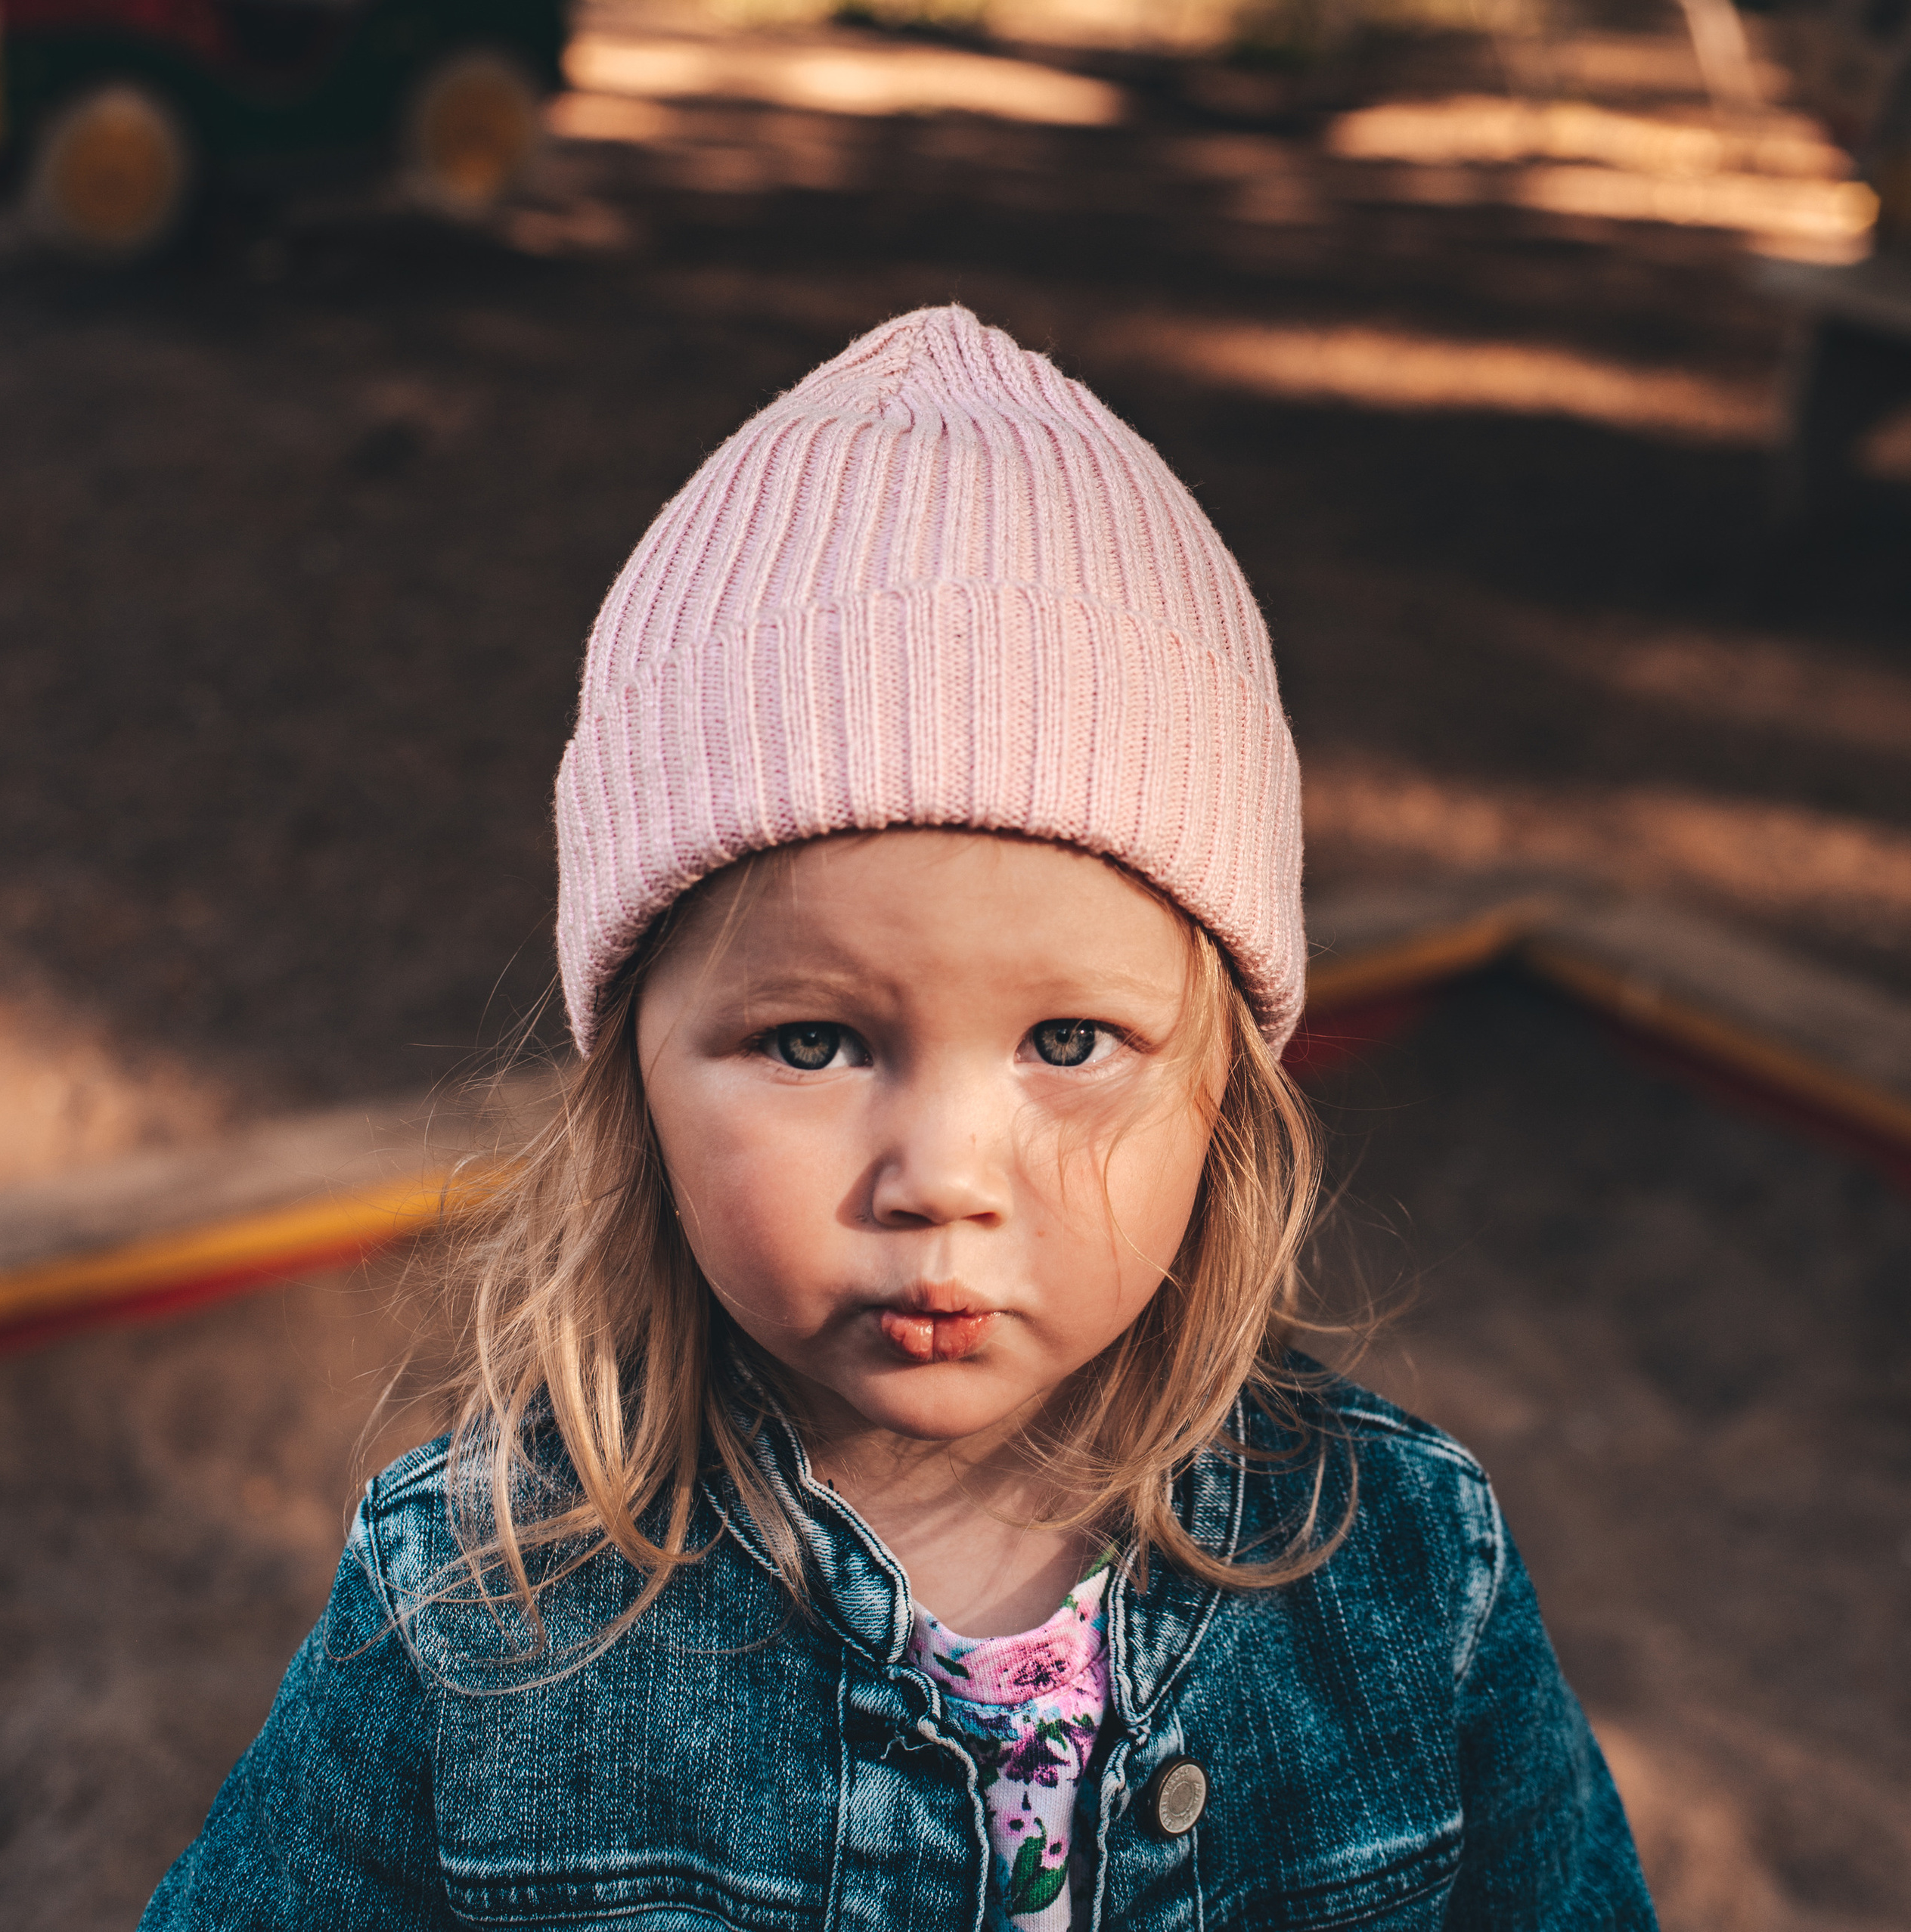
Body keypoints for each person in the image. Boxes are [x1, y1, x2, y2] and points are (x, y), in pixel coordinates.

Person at [141, 307, 1655, 1930]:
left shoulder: (1407, 1574)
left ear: (1226, 1087)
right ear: (633, 1082)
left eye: (1066, 1037)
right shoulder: (475, 1607)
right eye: (811, 1041)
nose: (938, 1176)